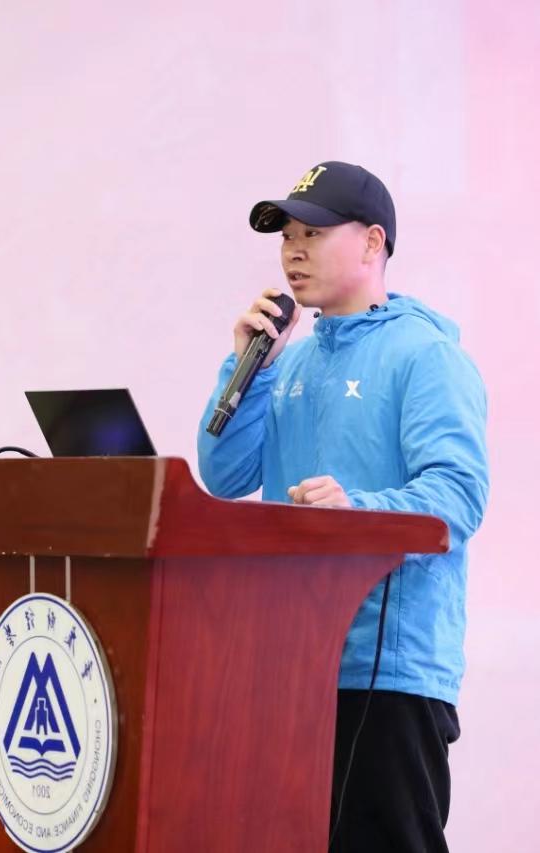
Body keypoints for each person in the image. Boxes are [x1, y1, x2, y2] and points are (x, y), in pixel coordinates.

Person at [196, 161, 490, 852]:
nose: (293, 251)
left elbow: (458, 494)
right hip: (288, 660)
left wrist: (355, 508)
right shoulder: (290, 363)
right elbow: (225, 473)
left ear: (372, 242)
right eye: (286, 237)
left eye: (314, 233)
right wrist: (247, 366)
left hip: (388, 673)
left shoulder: (425, 355)